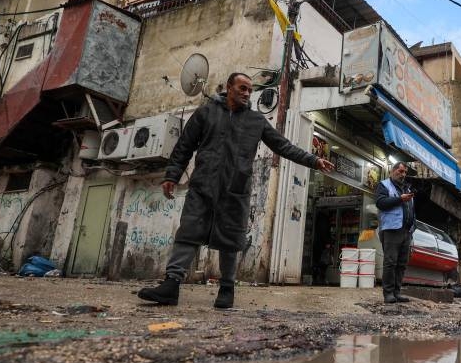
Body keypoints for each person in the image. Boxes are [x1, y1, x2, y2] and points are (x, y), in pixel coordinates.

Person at [138, 72, 334, 309]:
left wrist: (313, 160)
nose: (247, 93)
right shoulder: (206, 112)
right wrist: (172, 175)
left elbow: (283, 146)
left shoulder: (256, 121)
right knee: (189, 231)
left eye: (250, 90)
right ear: (228, 87)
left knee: (230, 238)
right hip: (202, 186)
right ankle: (171, 285)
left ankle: (227, 288)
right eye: (242, 88)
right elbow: (184, 146)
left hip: (235, 190)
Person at [374, 161, 415, 304]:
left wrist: (413, 226)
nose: (403, 175)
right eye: (401, 171)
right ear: (393, 171)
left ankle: (397, 292)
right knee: (390, 262)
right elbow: (381, 203)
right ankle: (388, 293)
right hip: (391, 230)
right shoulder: (383, 185)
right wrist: (399, 199)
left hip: (406, 231)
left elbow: (411, 210)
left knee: (402, 264)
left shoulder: (406, 188)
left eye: (405, 172)